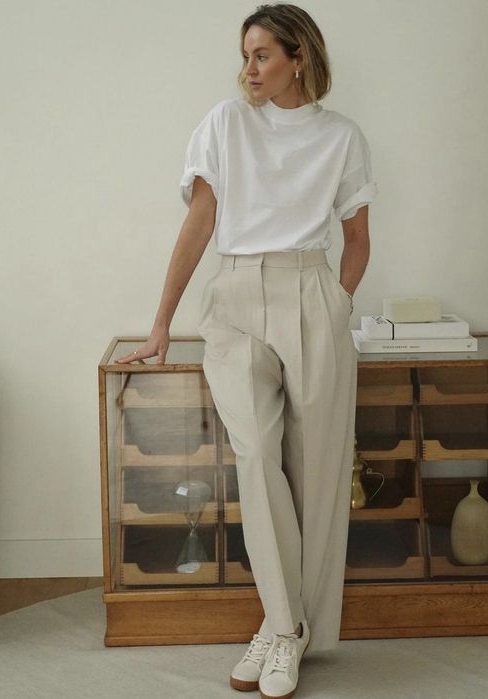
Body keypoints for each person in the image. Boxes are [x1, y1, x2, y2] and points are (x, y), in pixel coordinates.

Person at [116, 3, 378, 698]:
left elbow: (357, 240)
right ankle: (286, 627)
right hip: (234, 296)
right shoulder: (225, 124)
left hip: (311, 291)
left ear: (299, 56)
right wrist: (161, 323)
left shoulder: (341, 137)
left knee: (316, 474)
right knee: (258, 457)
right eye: (246, 56)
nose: (250, 69)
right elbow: (199, 223)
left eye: (263, 55)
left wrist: (336, 303)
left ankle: (281, 628)